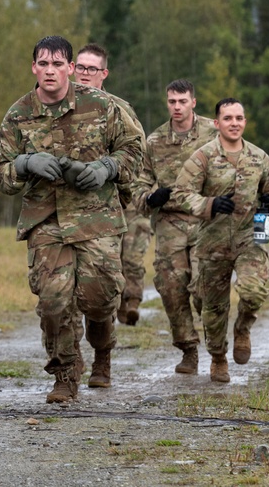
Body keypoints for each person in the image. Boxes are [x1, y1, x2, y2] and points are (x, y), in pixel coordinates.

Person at [0, 35, 144, 403]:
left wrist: (107, 167)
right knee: (54, 302)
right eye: (43, 64)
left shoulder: (103, 106)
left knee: (101, 299)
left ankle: (102, 348)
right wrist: (23, 164)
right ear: (34, 68)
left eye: (58, 64)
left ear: (71, 68)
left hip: (97, 218)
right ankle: (66, 374)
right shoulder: (19, 114)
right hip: (47, 220)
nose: (50, 71)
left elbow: (135, 151)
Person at [173, 98, 269, 384]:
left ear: (244, 122)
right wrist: (209, 204)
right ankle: (219, 358)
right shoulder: (203, 157)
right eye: (228, 118)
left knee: (254, 291)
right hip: (212, 243)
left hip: (251, 239)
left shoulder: (259, 157)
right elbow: (182, 193)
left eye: (239, 118)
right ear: (217, 123)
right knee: (213, 308)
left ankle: (243, 329)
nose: (234, 123)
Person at [132, 79, 217, 375]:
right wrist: (149, 197)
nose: (177, 107)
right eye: (172, 101)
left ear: (194, 101)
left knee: (204, 288)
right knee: (171, 287)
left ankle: (217, 347)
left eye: (182, 101)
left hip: (208, 218)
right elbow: (138, 185)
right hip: (170, 222)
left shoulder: (214, 133)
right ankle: (189, 349)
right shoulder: (154, 142)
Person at [73, 44, 150, 326]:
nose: (83, 74)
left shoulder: (119, 109)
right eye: (80, 67)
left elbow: (135, 154)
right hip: (68, 208)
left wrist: (110, 169)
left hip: (109, 204)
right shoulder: (53, 105)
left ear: (103, 73)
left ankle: (120, 306)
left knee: (107, 275)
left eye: (91, 69)